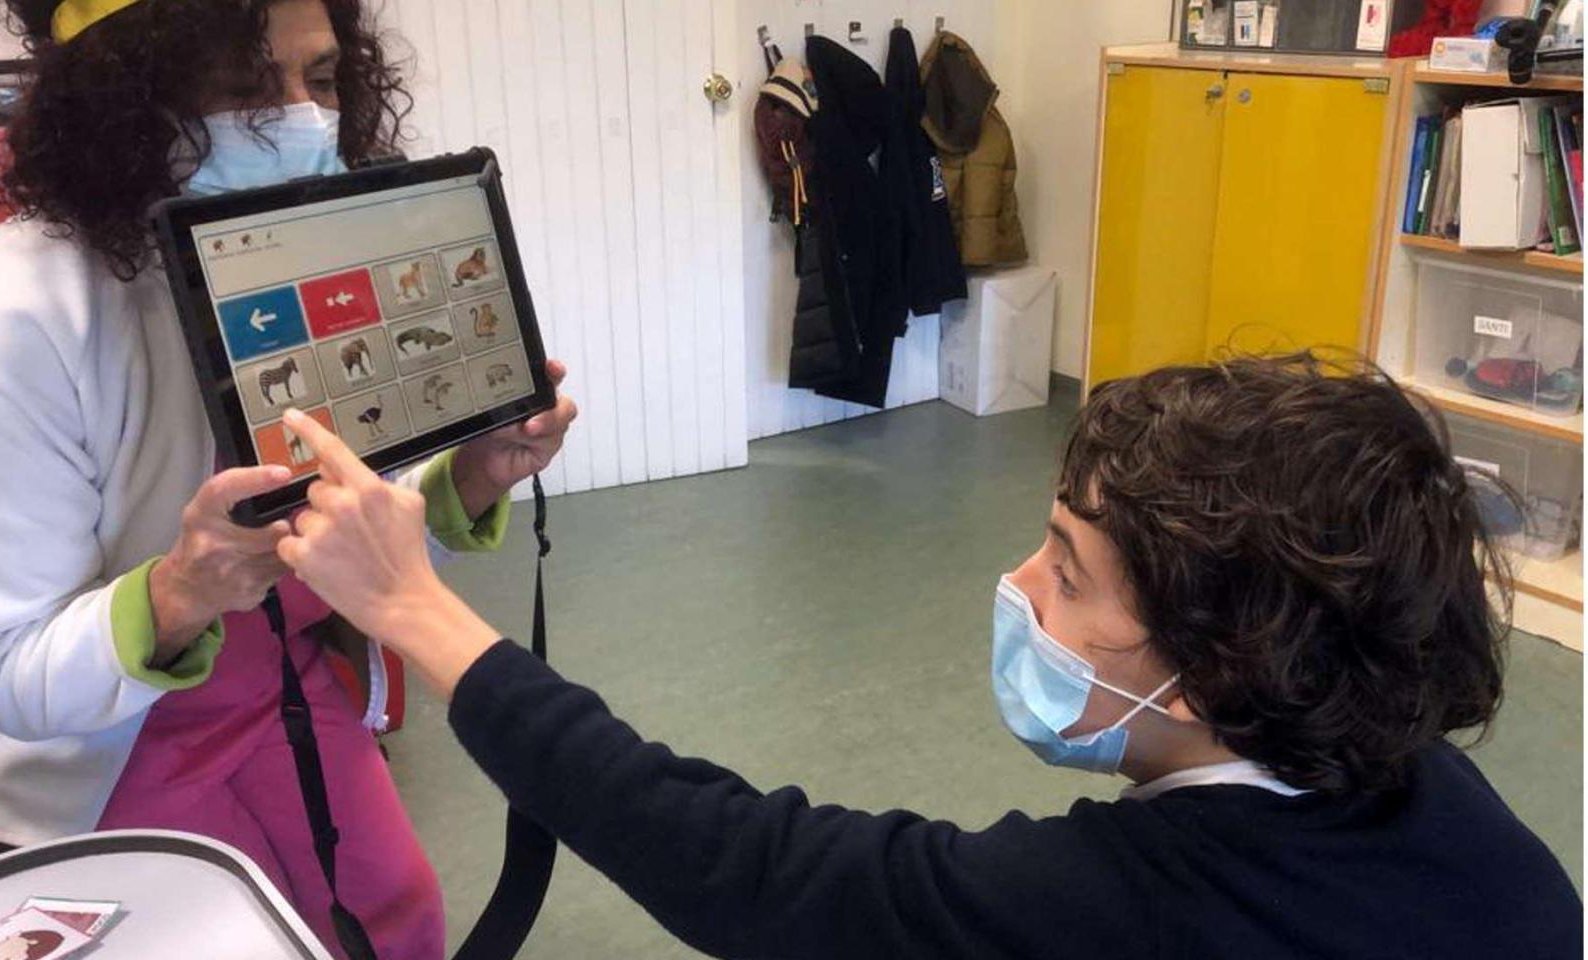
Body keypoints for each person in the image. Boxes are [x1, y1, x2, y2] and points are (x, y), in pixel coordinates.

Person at [274, 354, 1582, 959]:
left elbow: (745, 866)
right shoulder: (1439, 799)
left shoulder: (1115, 910)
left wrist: (417, 610)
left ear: (1219, 668)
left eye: (1066, 570)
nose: (1015, 586)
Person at [0, 0, 577, 955]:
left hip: (274, 684)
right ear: (125, 98)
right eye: (244, 88)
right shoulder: (9, 318)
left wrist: (471, 478)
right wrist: (178, 593)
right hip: (79, 745)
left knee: (399, 911)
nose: (301, 118)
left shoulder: (292, 258)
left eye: (321, 80)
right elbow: (2, 674)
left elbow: (342, 538)